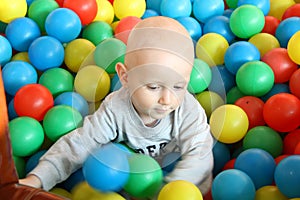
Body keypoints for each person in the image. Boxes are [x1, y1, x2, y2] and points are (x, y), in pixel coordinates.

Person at [19, 16, 214, 197]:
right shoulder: (116, 109)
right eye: (153, 87)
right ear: (125, 77)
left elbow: (200, 156)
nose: (167, 99)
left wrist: (167, 191)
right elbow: (81, 143)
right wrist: (38, 178)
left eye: (179, 86)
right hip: (128, 181)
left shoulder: (188, 110)